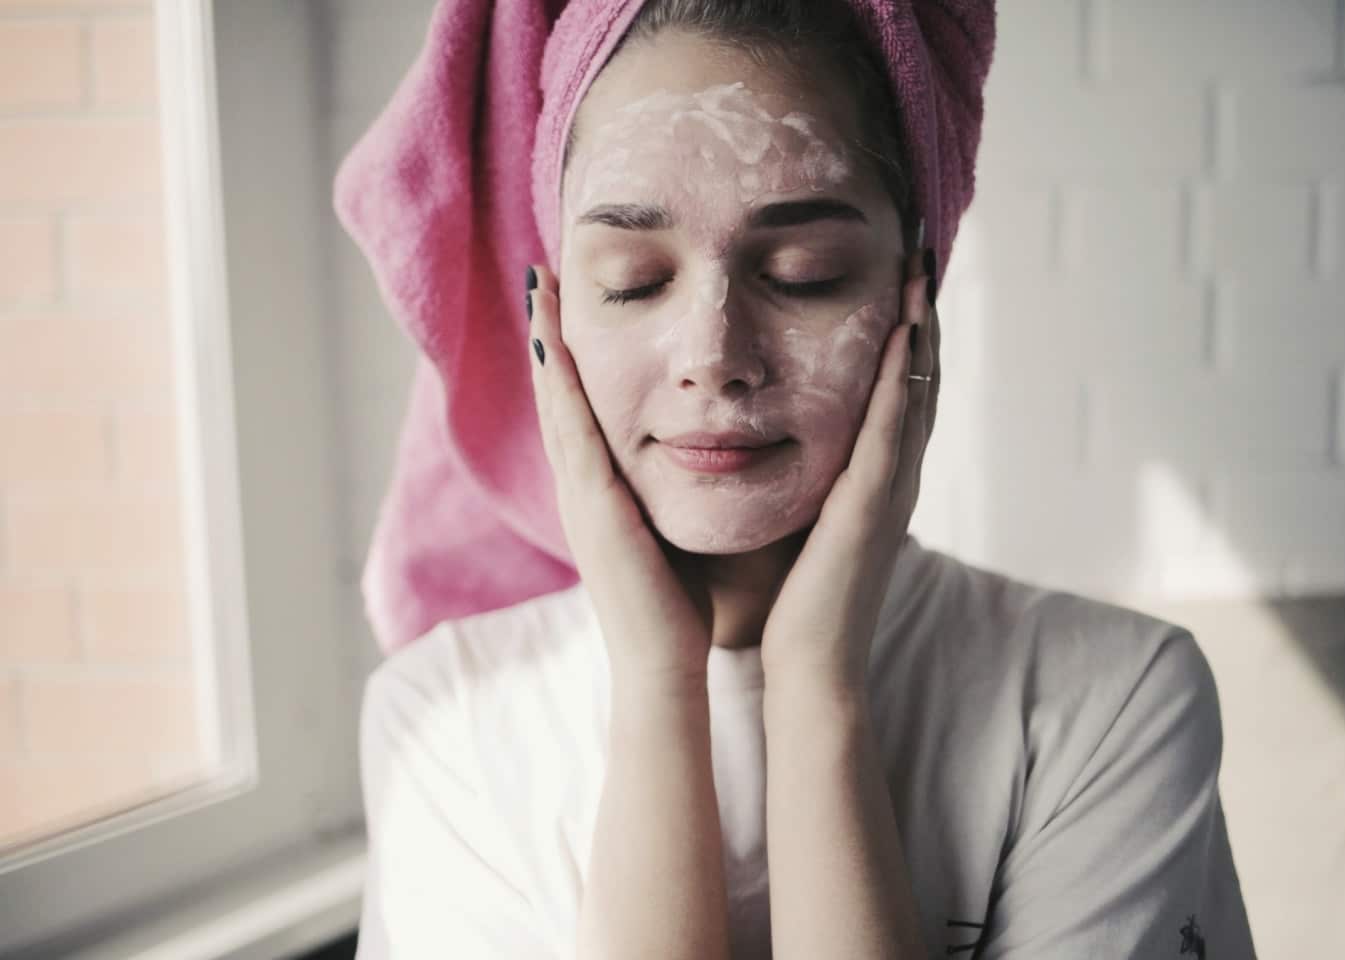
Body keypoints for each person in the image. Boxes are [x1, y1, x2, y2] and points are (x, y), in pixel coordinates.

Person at [340, 0, 1258, 957]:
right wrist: (657, 687)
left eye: (806, 272)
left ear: (917, 295)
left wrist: (821, 692)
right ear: (555, 312)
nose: (714, 355)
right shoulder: (443, 724)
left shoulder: (1110, 703)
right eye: (633, 278)